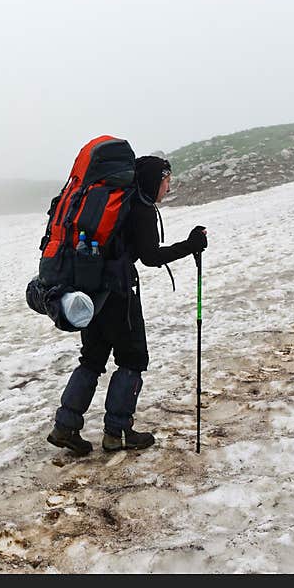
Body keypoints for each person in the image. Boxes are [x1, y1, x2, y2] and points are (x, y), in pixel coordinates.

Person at [46, 156, 208, 455]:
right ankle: (118, 432)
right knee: (132, 360)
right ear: (153, 180)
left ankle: (65, 426)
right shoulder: (140, 208)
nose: (168, 187)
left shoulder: (119, 203)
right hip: (119, 296)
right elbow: (151, 257)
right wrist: (191, 245)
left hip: (91, 293)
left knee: (92, 360)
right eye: (166, 180)